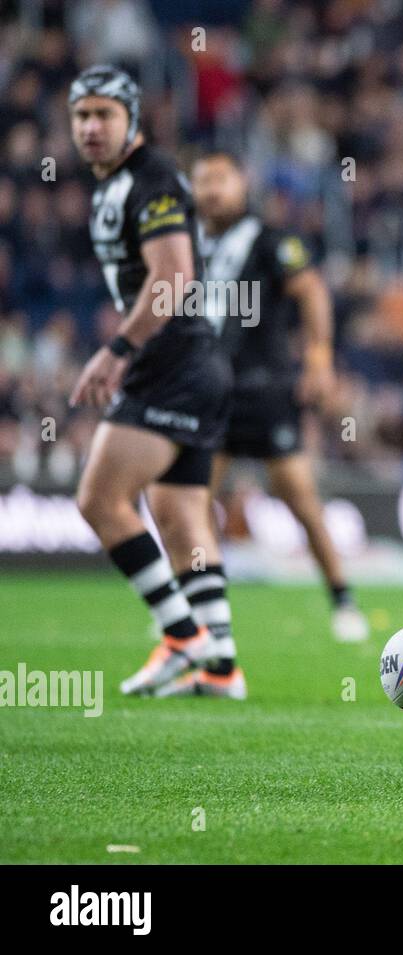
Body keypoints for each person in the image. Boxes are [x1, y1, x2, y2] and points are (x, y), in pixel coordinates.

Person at [68, 65, 244, 698]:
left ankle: (181, 635)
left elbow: (172, 277)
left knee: (99, 500)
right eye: (81, 116)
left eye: (103, 115)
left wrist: (117, 350)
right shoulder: (115, 184)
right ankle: (221, 666)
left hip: (170, 366)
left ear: (132, 120)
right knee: (178, 513)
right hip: (197, 365)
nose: (90, 128)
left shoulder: (153, 178)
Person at [190, 150, 368, 642]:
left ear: (241, 184)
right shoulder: (191, 247)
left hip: (264, 392)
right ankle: (203, 610)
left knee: (301, 501)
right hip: (211, 394)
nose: (210, 190)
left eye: (220, 178)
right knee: (193, 503)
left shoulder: (269, 240)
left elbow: (310, 290)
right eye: (201, 180)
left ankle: (342, 598)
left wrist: (319, 356)